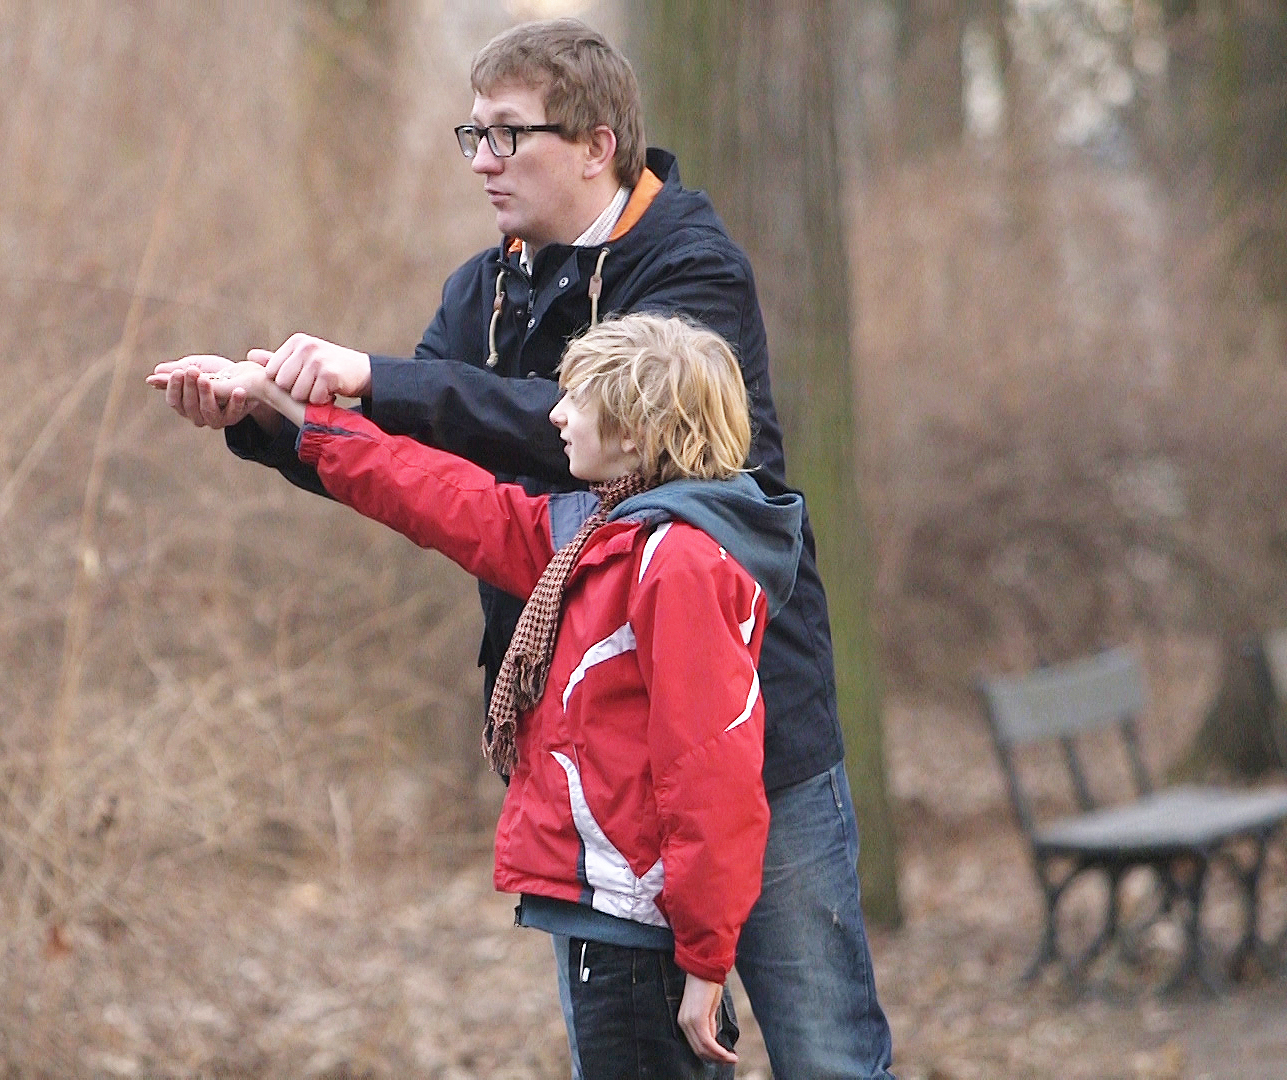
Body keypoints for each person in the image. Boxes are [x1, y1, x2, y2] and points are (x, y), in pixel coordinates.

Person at [155, 18, 896, 1080]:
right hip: (597, 779)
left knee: (828, 1055)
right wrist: (270, 414)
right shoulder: (483, 290)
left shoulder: (693, 270)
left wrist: (377, 377)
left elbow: (580, 432)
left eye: (508, 134)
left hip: (753, 743)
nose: (483, 161)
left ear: (597, 145)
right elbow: (425, 470)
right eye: (474, 134)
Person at [172, 313, 799, 1076]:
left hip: (642, 935)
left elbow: (712, 773)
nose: (556, 416)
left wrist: (704, 958)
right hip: (608, 919)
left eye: (577, 400)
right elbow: (442, 495)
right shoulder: (602, 538)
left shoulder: (681, 564)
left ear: (637, 432)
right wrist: (288, 406)